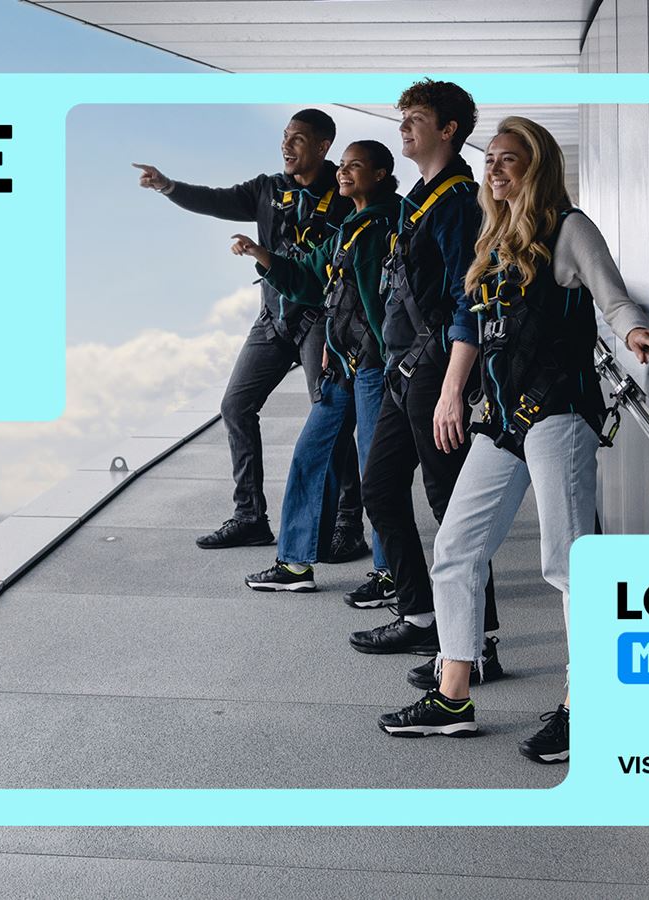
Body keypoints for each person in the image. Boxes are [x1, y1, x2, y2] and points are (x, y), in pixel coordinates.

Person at [376, 116, 649, 766]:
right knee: (454, 548)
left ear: (536, 168)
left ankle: (588, 706)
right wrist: (454, 391)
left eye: (510, 160)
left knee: (568, 565)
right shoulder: (493, 241)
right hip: (501, 417)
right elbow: (474, 330)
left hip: (560, 411)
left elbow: (611, 298)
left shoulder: (569, 228)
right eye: (493, 160)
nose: (496, 169)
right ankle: (453, 695)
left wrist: (635, 332)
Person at [134, 110, 369, 562]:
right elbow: (215, 200)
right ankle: (250, 518)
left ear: (322, 147)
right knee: (235, 406)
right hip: (273, 319)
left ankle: (347, 524)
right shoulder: (267, 189)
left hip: (321, 319)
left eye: (298, 139)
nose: (287, 146)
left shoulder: (342, 192)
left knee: (330, 421)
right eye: (285, 137)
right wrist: (167, 186)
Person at [344, 79, 502, 683]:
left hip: (435, 373)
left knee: (452, 509)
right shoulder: (422, 196)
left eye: (416, 118)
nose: (404, 127)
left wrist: (452, 390)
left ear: (448, 130)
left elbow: (469, 299)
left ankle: (480, 646)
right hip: (402, 371)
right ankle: (420, 615)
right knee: (380, 488)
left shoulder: (459, 201)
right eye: (402, 117)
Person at [225, 141, 399, 591]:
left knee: (373, 468)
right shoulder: (350, 227)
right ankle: (294, 564)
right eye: (341, 166)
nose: (342, 172)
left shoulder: (392, 223)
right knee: (310, 454)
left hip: (376, 368)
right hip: (343, 363)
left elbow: (393, 303)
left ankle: (389, 571)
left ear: (380, 174)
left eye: (354, 166)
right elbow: (311, 275)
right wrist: (260, 253)